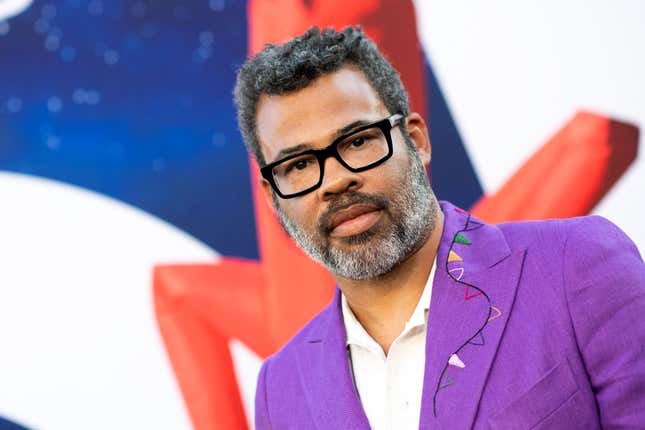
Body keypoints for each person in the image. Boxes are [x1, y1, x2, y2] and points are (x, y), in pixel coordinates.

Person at [233, 26, 645, 429]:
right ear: (274, 198)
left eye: (357, 141)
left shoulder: (576, 265)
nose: (336, 180)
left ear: (416, 139)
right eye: (299, 165)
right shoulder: (279, 388)